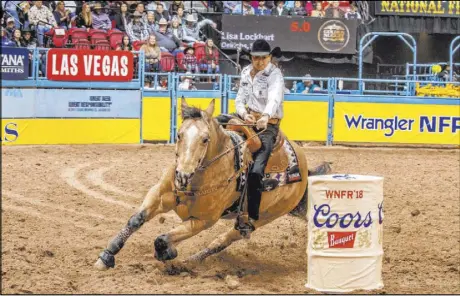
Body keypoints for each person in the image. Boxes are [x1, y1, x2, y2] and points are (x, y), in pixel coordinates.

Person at [233, 39, 285, 235]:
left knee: (256, 170)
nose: (259, 61)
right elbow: (240, 98)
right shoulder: (246, 72)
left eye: (263, 58)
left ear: (269, 58)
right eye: (256, 58)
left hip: (267, 125)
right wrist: (243, 113)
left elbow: (274, 98)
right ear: (251, 57)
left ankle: (250, 215)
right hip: (247, 119)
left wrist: (265, 116)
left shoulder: (275, 74)